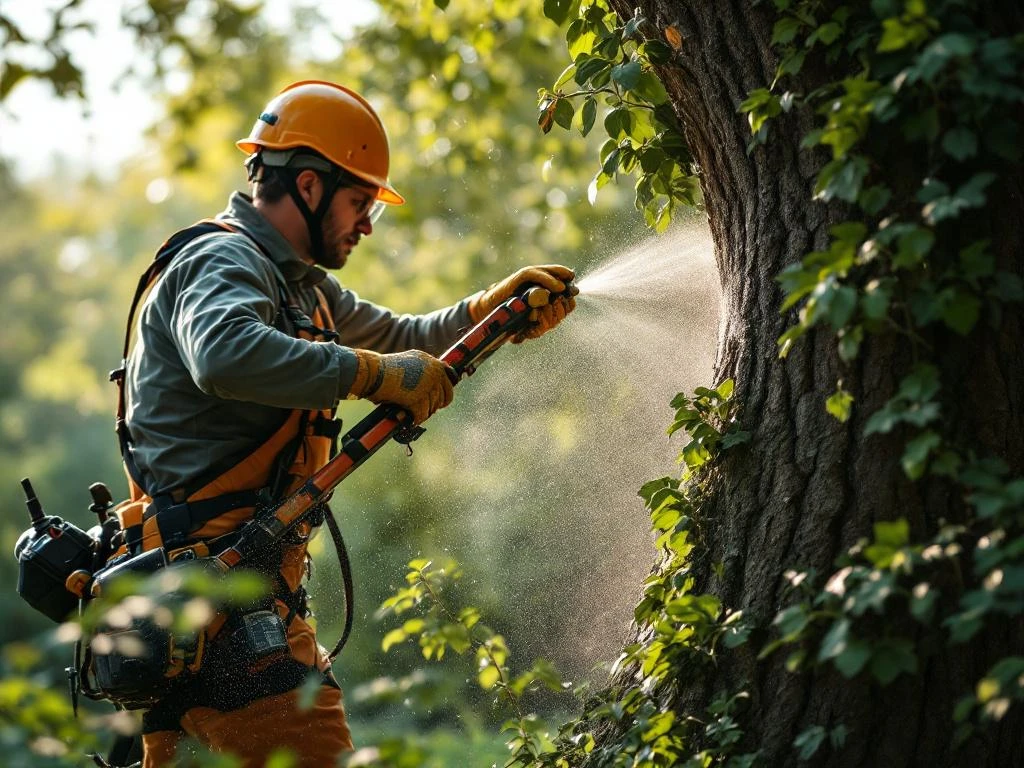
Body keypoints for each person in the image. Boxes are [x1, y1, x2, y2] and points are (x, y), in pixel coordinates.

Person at [114, 79, 575, 767]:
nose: (366, 223)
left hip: (228, 594)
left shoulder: (302, 285)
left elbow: (399, 338)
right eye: (360, 203)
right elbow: (225, 354)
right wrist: (373, 377)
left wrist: (490, 310)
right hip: (217, 603)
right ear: (307, 185)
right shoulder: (223, 260)